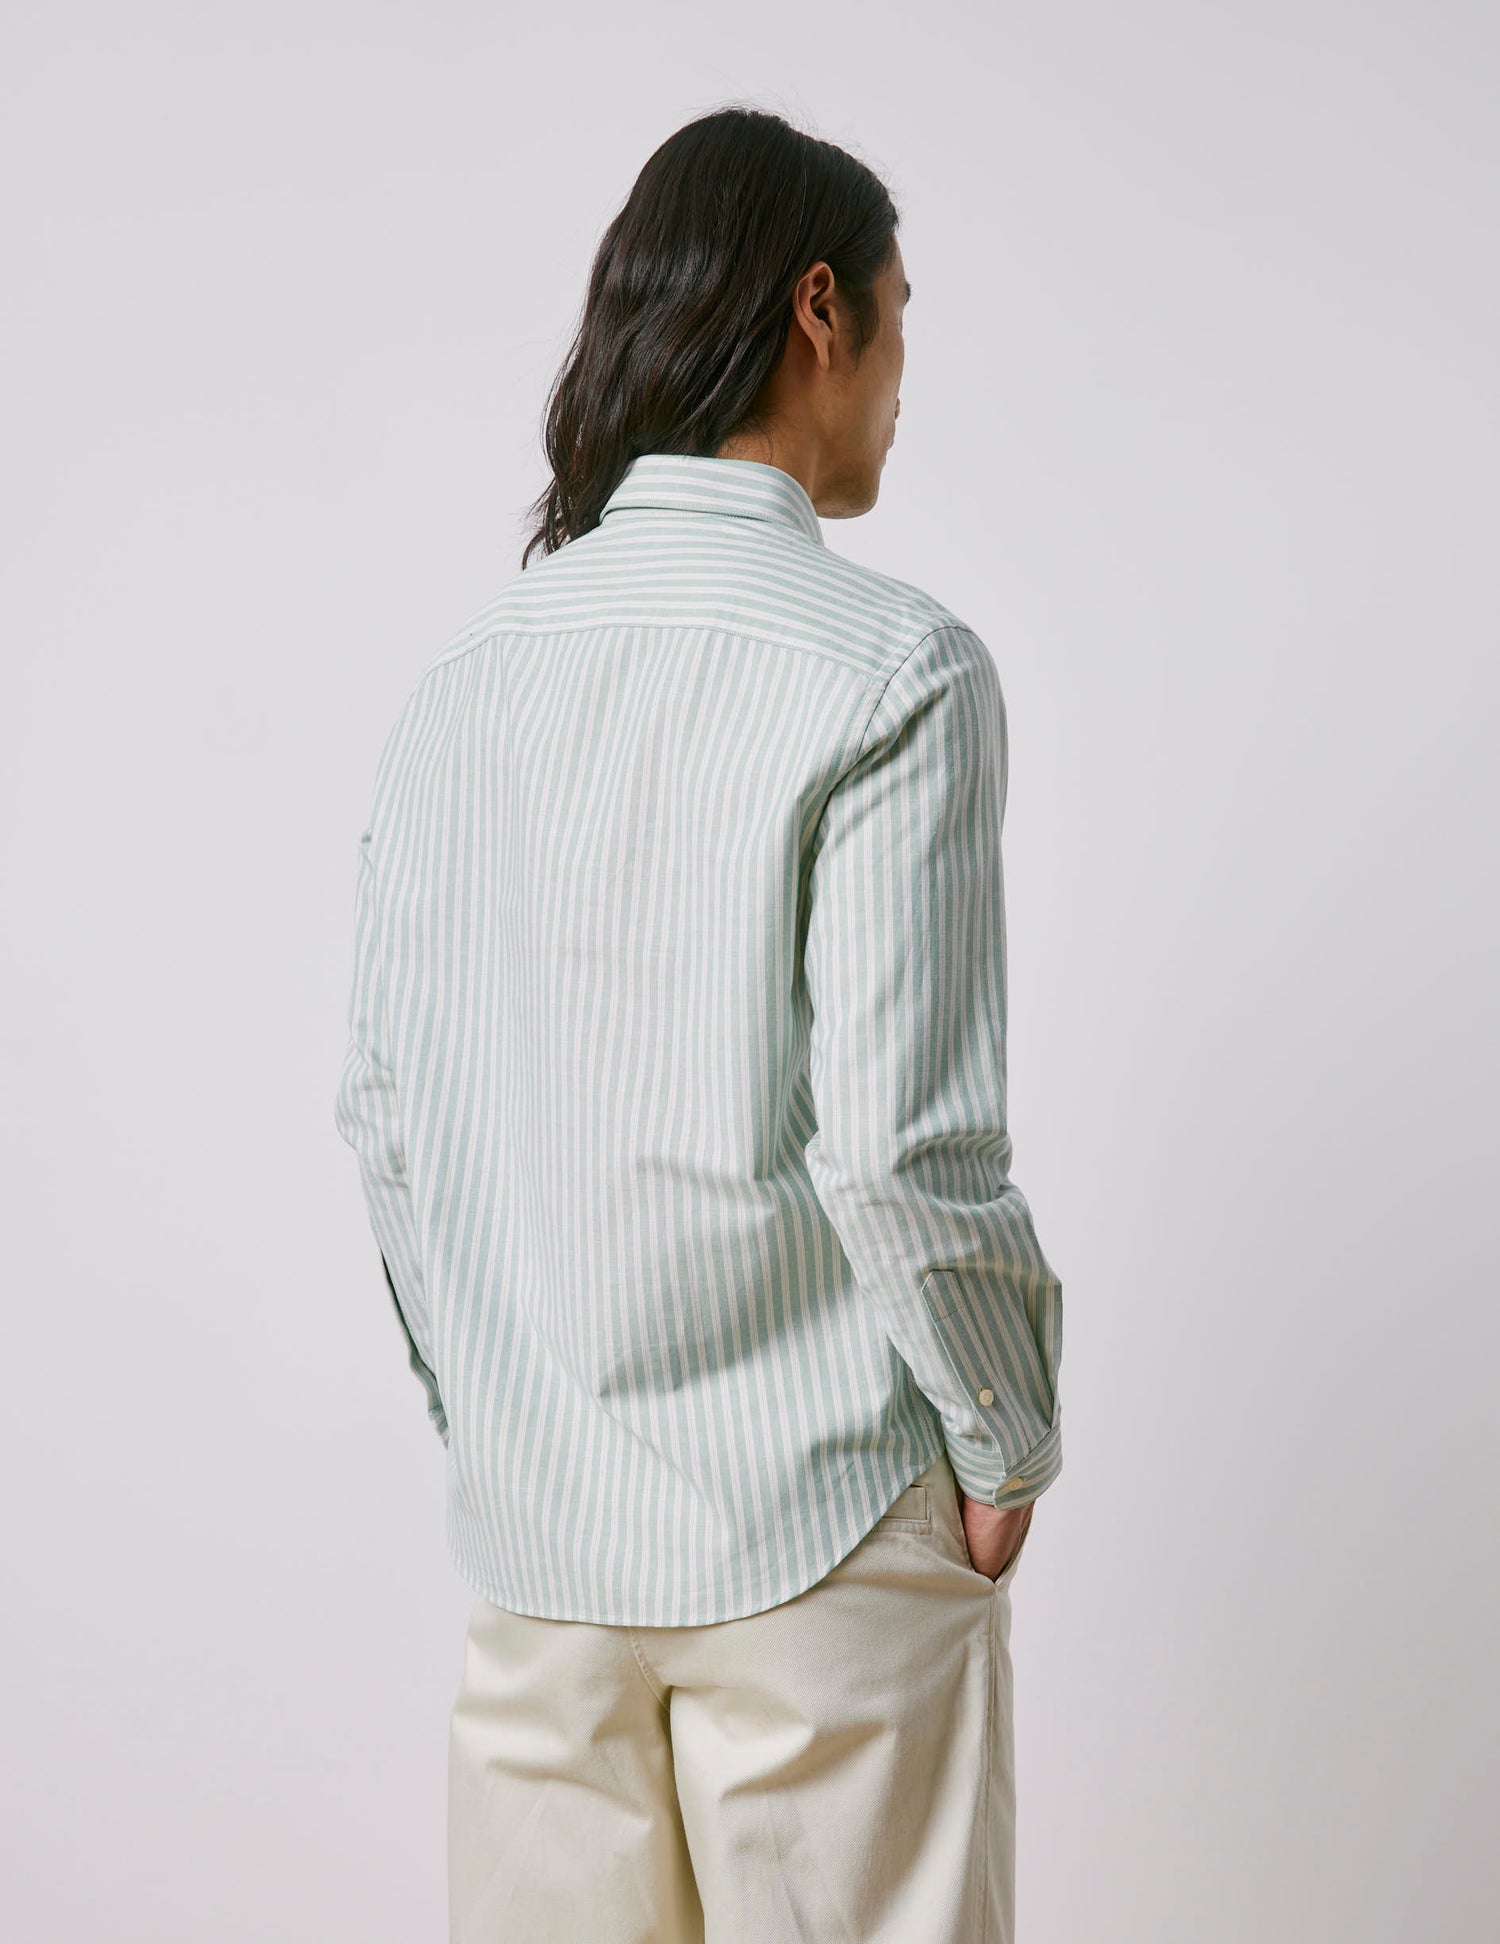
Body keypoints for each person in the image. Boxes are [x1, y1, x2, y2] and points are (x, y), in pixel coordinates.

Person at [334, 103, 1065, 1944]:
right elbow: (903, 1146)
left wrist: (505, 1424)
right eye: (900, 319)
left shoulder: (462, 687)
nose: (903, 379)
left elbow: (388, 1121)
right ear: (821, 310)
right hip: (823, 1545)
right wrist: (1002, 1445)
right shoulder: (894, 671)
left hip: (542, 1565)